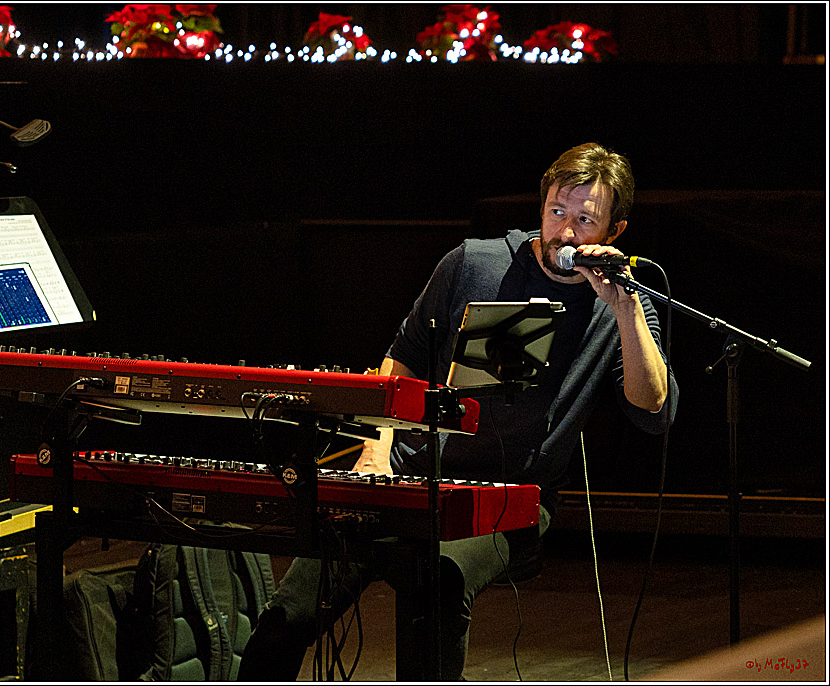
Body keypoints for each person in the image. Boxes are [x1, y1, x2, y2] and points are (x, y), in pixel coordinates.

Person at [236, 142, 679, 681]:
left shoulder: (624, 307)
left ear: (615, 233)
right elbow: (399, 363)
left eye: (586, 220)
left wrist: (625, 307)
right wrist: (375, 451)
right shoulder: (475, 261)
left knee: (439, 581)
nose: (566, 232)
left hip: (509, 499)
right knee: (291, 611)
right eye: (557, 212)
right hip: (406, 473)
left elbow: (652, 408)